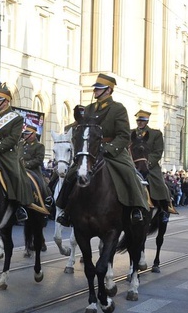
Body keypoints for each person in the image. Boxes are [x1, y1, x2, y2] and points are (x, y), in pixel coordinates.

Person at [56, 73, 149, 226]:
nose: (96, 91)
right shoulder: (89, 108)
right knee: (72, 173)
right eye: (96, 89)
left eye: (99, 89)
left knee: (128, 172)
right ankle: (65, 209)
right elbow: (77, 127)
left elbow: (124, 135)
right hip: (91, 151)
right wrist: (72, 124)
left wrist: (108, 149)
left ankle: (136, 208)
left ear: (108, 90)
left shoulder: (118, 109)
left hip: (112, 150)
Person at [0, 84, 34, 220]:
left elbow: (13, 139)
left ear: (6, 102)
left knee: (15, 174)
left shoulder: (16, 118)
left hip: (5, 154)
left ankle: (18, 206)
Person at [131, 110, 177, 215]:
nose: (140, 123)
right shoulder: (131, 133)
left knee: (159, 184)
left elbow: (158, 152)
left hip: (149, 165)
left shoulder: (155, 134)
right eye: (138, 120)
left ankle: (164, 208)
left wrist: (147, 162)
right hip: (132, 164)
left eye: (142, 121)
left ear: (147, 122)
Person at [20, 123, 53, 207]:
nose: (25, 136)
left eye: (27, 134)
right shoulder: (20, 145)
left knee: (41, 184)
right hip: (18, 168)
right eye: (25, 134)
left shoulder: (39, 146)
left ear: (33, 134)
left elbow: (38, 160)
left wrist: (25, 164)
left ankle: (46, 201)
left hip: (32, 170)